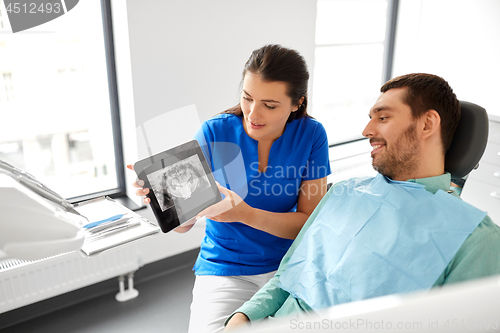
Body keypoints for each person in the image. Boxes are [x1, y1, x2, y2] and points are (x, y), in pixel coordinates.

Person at [225, 73, 500, 330]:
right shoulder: (343, 192)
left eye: (382, 118)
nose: (366, 130)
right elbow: (288, 274)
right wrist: (244, 316)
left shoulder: (475, 239)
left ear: (427, 123)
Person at [129, 44, 331, 333]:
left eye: (269, 105)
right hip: (225, 267)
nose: (253, 113)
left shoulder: (312, 135)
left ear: (297, 103)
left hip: (289, 266)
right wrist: (166, 202)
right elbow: (184, 226)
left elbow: (308, 224)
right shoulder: (214, 132)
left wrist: (245, 214)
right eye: (247, 98)